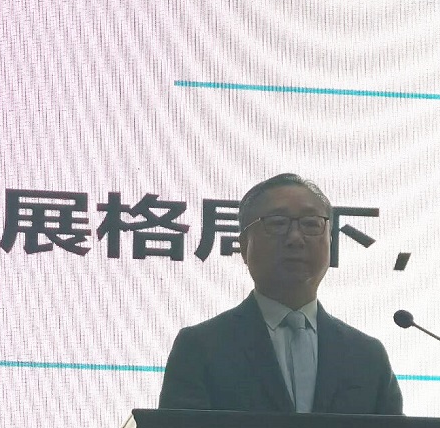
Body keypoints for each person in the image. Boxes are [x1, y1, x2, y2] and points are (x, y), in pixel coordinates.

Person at [159, 173, 403, 415]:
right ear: (243, 246)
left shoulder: (367, 356)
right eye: (277, 223)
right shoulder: (201, 347)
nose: (295, 238)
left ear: (330, 241)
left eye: (311, 224)